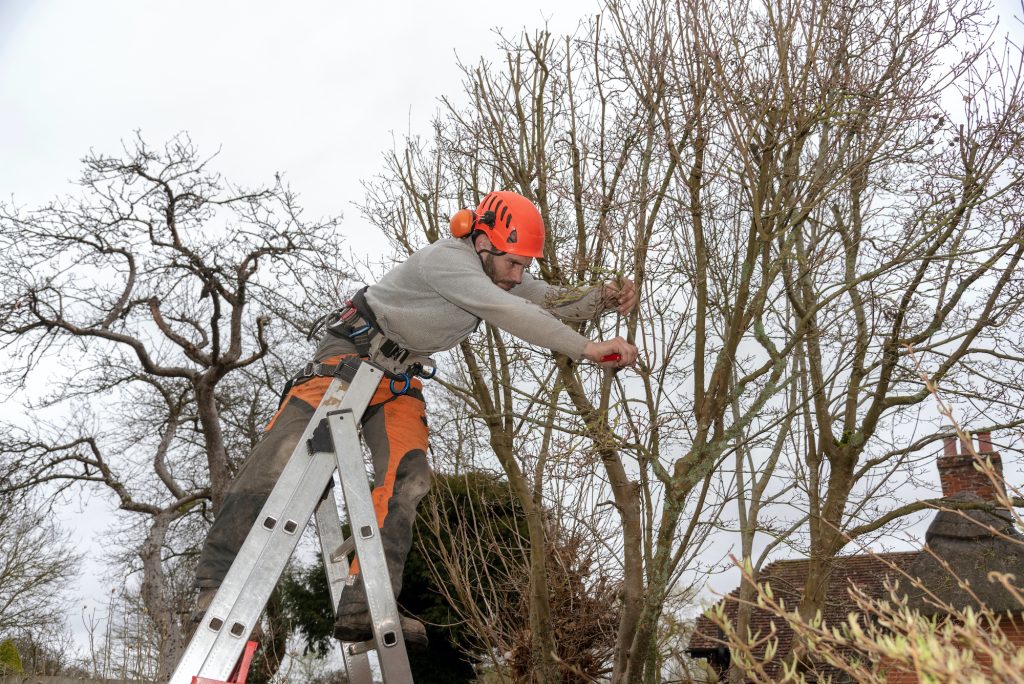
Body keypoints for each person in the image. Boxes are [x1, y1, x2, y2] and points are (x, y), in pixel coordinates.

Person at [192, 190, 639, 647]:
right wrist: (585, 348)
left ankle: (365, 601)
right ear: (482, 241)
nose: (518, 274)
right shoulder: (447, 261)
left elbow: (546, 299)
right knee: (280, 459)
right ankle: (216, 584)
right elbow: (513, 312)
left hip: (398, 379)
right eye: (513, 263)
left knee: (410, 478)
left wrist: (603, 296)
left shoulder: (499, 275)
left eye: (524, 265)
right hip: (348, 358)